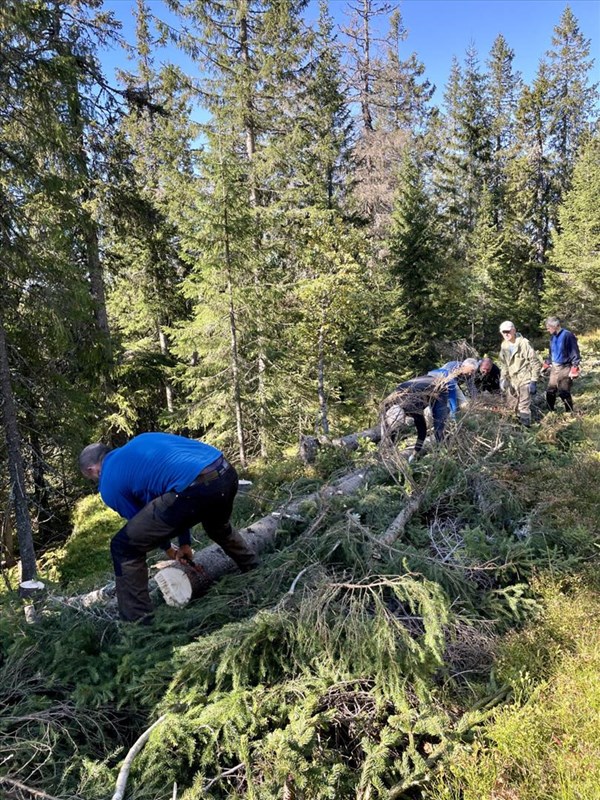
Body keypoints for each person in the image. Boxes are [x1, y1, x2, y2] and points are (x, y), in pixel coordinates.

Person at [79, 432, 258, 623]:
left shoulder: (108, 484)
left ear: (93, 470)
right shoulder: (141, 442)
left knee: (124, 547)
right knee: (217, 527)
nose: (96, 481)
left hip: (194, 488)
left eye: (92, 478)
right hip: (225, 473)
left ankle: (138, 624)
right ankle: (254, 567)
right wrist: (184, 545)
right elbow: (170, 496)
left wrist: (167, 548)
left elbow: (139, 523)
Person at [383, 359, 478, 454]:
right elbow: (385, 416)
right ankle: (388, 448)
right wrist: (389, 444)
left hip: (440, 389)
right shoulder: (394, 398)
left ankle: (442, 449)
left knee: (439, 421)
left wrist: (416, 451)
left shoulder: (414, 406)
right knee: (391, 428)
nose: (470, 374)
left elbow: (422, 430)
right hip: (428, 380)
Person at [497, 321, 542, 427]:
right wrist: (503, 378)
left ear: (513, 330)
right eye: (503, 332)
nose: (506, 334)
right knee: (512, 404)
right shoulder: (504, 345)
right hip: (512, 379)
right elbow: (504, 364)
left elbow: (535, 362)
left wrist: (534, 381)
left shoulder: (524, 343)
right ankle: (515, 425)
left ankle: (526, 428)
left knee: (524, 405)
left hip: (525, 376)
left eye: (508, 332)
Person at [542, 316, 581, 412]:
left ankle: (569, 412)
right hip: (555, 367)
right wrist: (546, 364)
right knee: (550, 391)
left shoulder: (568, 335)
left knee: (564, 391)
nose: (547, 330)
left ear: (555, 326)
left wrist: (574, 368)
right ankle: (550, 411)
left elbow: (575, 352)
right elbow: (551, 353)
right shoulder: (552, 337)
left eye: (548, 328)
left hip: (566, 366)